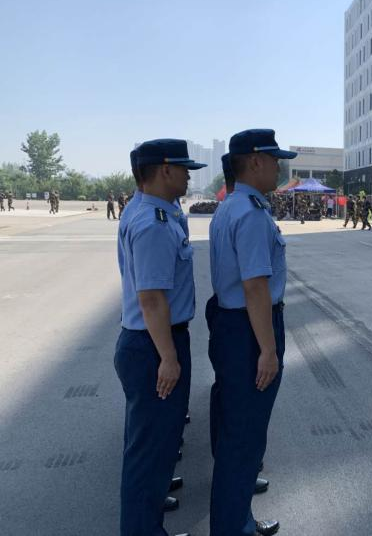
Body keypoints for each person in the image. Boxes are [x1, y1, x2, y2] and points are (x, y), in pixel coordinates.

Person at [114, 139, 205, 536]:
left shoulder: (146, 209)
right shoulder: (153, 223)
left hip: (149, 342)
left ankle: (147, 510)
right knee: (149, 453)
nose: (188, 176)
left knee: (150, 448)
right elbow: (151, 299)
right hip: (156, 346)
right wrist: (168, 357)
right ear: (165, 170)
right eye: (184, 169)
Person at [207, 129, 294, 536]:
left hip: (233, 326)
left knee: (235, 431)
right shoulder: (252, 214)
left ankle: (235, 512)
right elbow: (256, 287)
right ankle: (233, 526)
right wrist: (268, 350)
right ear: (256, 161)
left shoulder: (231, 207)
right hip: (250, 330)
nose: (279, 167)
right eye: (275, 160)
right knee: (244, 436)